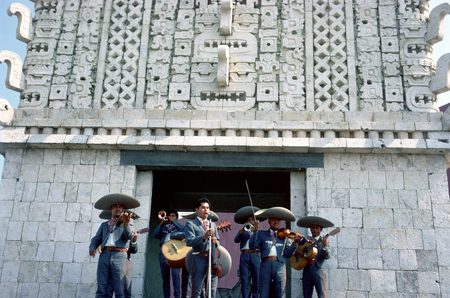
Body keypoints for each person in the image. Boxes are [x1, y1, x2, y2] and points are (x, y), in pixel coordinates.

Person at [89, 193, 140, 298]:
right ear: (111, 209)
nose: (118, 208)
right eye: (115, 206)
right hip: (105, 255)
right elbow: (95, 239)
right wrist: (92, 248)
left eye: (120, 206)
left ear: (123, 209)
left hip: (120, 255)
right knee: (102, 288)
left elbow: (129, 236)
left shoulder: (129, 223)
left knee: (121, 289)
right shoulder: (104, 225)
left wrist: (125, 224)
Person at [250, 207, 304, 298]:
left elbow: (288, 254)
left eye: (278, 220)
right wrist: (255, 232)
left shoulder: (286, 236)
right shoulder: (261, 234)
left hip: (279, 266)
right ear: (269, 221)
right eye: (273, 219)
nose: (276, 221)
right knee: (264, 293)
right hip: (265, 265)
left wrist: (295, 243)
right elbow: (252, 246)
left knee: (280, 293)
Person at [184, 198, 220, 298]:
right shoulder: (190, 224)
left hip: (212, 260)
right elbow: (190, 241)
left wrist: (216, 242)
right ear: (197, 209)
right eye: (203, 208)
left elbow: (219, 242)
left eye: (208, 208)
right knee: (197, 291)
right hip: (199, 258)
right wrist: (204, 236)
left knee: (212, 291)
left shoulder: (213, 224)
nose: (206, 210)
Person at [296, 216, 333, 298]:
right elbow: (297, 251)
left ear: (321, 229)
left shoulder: (325, 241)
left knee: (321, 294)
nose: (314, 230)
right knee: (306, 294)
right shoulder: (304, 241)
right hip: (306, 269)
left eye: (317, 228)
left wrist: (325, 246)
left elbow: (326, 256)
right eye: (313, 228)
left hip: (318, 269)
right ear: (310, 229)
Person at [153, 210, 186, 298]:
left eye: (173, 216)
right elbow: (155, 235)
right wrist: (161, 223)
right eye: (169, 216)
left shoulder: (178, 227)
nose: (170, 217)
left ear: (177, 218)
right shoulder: (164, 227)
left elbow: (185, 231)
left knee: (175, 277)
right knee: (165, 279)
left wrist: (173, 222)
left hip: (174, 254)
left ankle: (177, 296)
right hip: (163, 254)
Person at [233, 206, 261, 298]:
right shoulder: (244, 231)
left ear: (255, 221)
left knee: (256, 280)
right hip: (244, 255)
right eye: (248, 220)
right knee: (244, 281)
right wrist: (242, 230)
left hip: (255, 255)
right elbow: (236, 240)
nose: (250, 221)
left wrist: (256, 231)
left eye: (252, 220)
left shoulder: (259, 233)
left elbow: (258, 243)